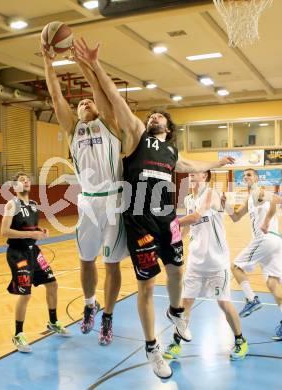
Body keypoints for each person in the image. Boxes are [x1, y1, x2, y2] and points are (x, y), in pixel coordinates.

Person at [72, 38, 235, 378]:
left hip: (167, 219)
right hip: (139, 221)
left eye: (159, 115)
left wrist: (219, 162)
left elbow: (192, 164)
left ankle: (176, 311)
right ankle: (152, 349)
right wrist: (94, 66)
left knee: (177, 271)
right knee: (147, 285)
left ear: (169, 128)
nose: (154, 116)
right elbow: (114, 100)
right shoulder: (135, 134)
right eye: (152, 115)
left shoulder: (172, 154)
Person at [42, 45, 127, 346]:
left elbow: (100, 92)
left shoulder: (110, 125)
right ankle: (90, 303)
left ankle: (108, 317)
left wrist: (86, 65)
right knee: (86, 259)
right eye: (79, 103)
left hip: (115, 200)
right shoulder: (72, 129)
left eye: (88, 101)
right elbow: (55, 97)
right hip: (89, 201)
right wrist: (47, 61)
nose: (84, 102)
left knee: (111, 263)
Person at [163, 171, 248, 361]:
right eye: (192, 170)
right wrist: (172, 240)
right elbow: (188, 227)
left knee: (224, 303)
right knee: (184, 304)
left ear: (205, 176)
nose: (193, 172)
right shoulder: (187, 199)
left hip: (217, 262)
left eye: (199, 171)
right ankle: (176, 343)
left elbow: (195, 217)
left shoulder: (212, 194)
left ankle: (241, 340)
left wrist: (169, 223)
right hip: (195, 263)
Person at [1, 172, 69, 353]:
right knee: (26, 294)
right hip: (18, 254)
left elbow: (30, 228)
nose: (26, 182)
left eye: (27, 180)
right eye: (21, 180)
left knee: (52, 284)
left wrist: (40, 230)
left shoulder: (33, 205)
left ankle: (53, 322)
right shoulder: (11, 205)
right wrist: (32, 234)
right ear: (15, 187)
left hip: (33, 251)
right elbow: (4, 231)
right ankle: (18, 335)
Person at [225, 168, 282, 340]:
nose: (246, 177)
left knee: (235, 266)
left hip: (265, 238)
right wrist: (225, 204)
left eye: (249, 175)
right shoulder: (250, 198)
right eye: (244, 176)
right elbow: (235, 218)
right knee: (272, 283)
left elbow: (277, 199)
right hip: (276, 241)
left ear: (256, 178)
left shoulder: (258, 191)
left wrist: (265, 221)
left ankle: (251, 299)